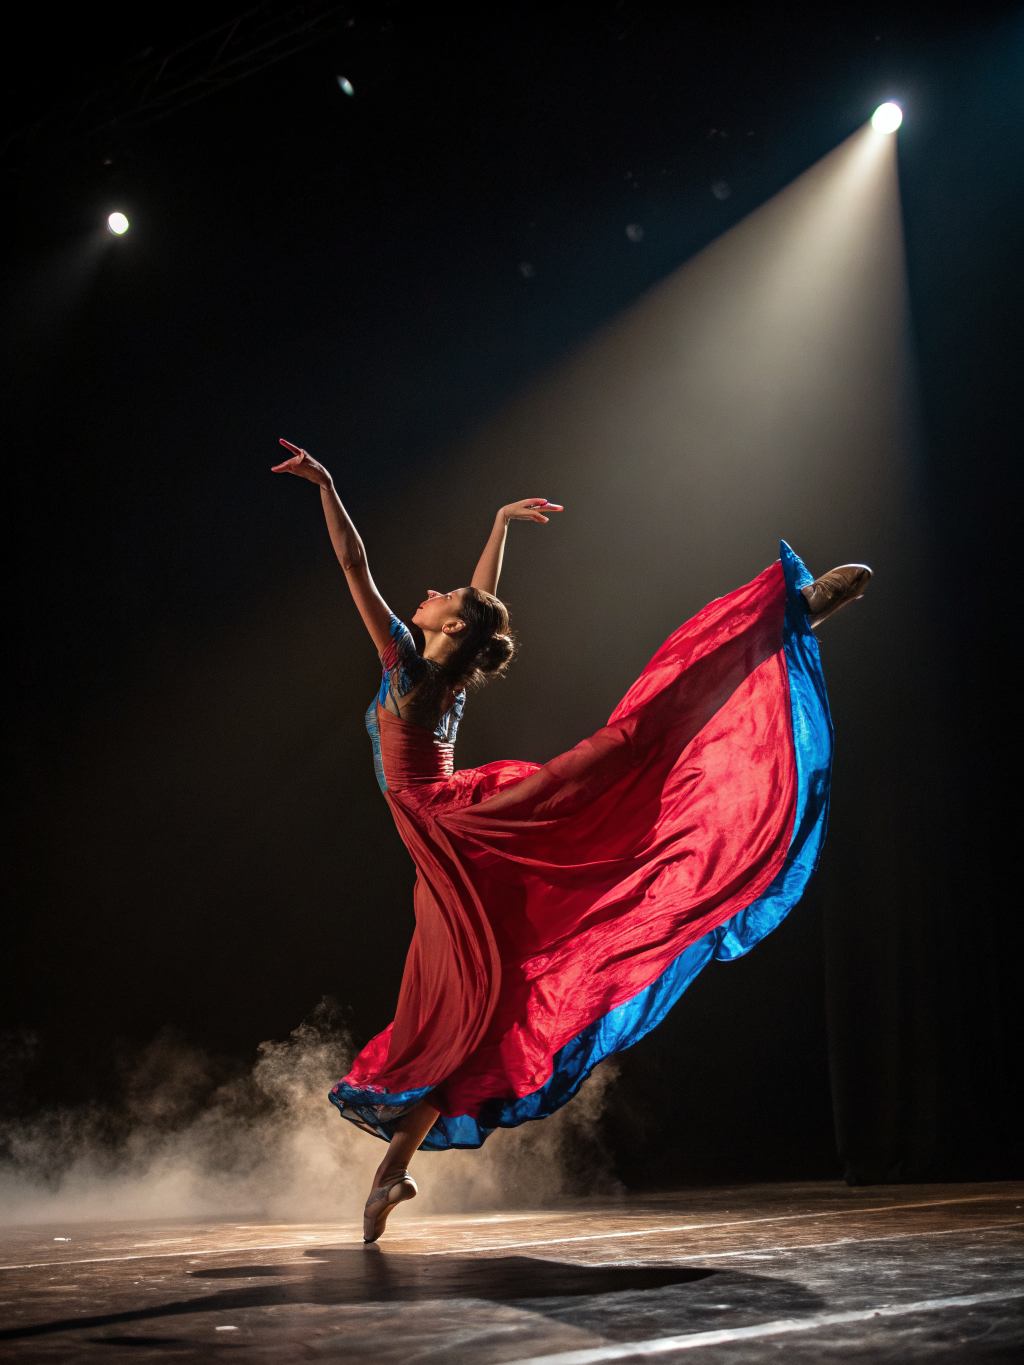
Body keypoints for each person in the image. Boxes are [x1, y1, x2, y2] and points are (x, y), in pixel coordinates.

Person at [272, 438, 871, 1242]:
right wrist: (497, 524)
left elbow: (356, 563)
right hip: (456, 843)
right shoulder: (442, 671)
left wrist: (327, 483)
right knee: (473, 1003)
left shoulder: (408, 668)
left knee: (624, 753)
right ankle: (391, 1173)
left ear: (448, 626)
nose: (430, 591)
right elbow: (478, 599)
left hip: (454, 834)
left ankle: (781, 620)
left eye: (442, 595)